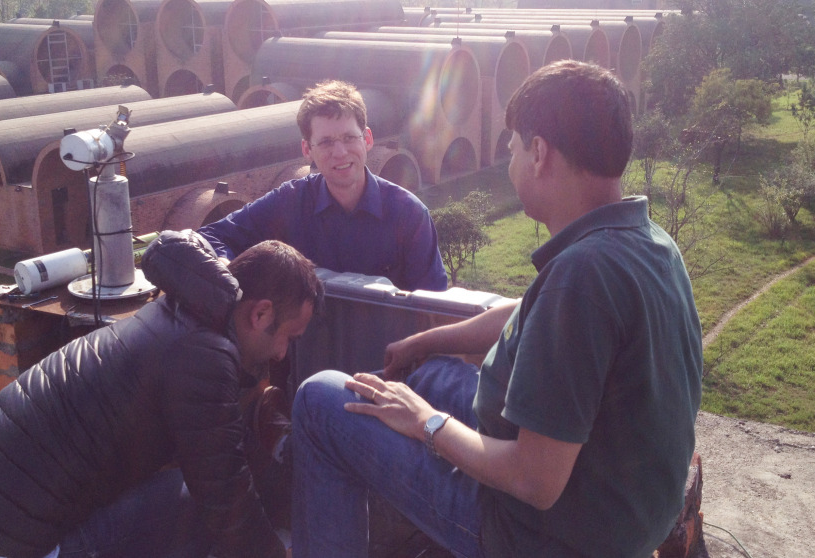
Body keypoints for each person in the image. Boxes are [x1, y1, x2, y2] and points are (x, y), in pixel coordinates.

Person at [290, 60, 703, 558]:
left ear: (538, 154)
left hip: (539, 535)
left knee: (320, 399)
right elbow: (527, 311)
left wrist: (427, 423)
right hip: (623, 505)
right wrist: (426, 341)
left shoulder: (582, 279)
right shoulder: (646, 241)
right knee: (427, 374)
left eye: (510, 149)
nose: (509, 165)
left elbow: (535, 481)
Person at [0, 231, 322, 558]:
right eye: (289, 336)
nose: (283, 352)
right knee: (194, 505)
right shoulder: (205, 355)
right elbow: (224, 495)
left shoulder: (176, 309)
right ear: (261, 312)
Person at [198, 79, 448, 293]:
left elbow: (434, 307)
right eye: (326, 142)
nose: (340, 152)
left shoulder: (409, 215)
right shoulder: (290, 202)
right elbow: (211, 237)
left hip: (385, 346)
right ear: (307, 150)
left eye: (349, 138)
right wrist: (226, 269)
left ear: (367, 139)